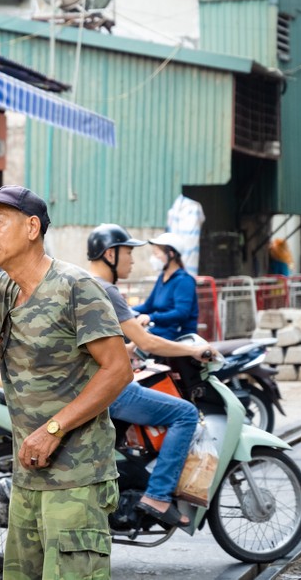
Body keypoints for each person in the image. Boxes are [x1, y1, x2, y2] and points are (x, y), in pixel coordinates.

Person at [0, 185, 133, 580]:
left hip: (77, 479)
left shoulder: (76, 287)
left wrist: (54, 429)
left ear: (32, 227)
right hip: (27, 476)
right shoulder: (0, 289)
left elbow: (118, 369)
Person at [87, 223, 209, 528]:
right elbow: (148, 342)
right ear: (111, 254)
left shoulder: (80, 283)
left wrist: (123, 349)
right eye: (129, 253)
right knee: (185, 413)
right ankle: (158, 495)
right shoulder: (107, 289)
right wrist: (195, 352)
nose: (134, 260)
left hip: (85, 384)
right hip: (109, 388)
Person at [132, 232, 199, 340]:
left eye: (156, 253)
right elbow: (148, 306)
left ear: (171, 254)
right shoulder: (162, 277)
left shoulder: (184, 281)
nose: (153, 258)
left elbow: (181, 313)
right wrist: (127, 311)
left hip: (177, 338)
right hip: (160, 333)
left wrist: (151, 317)